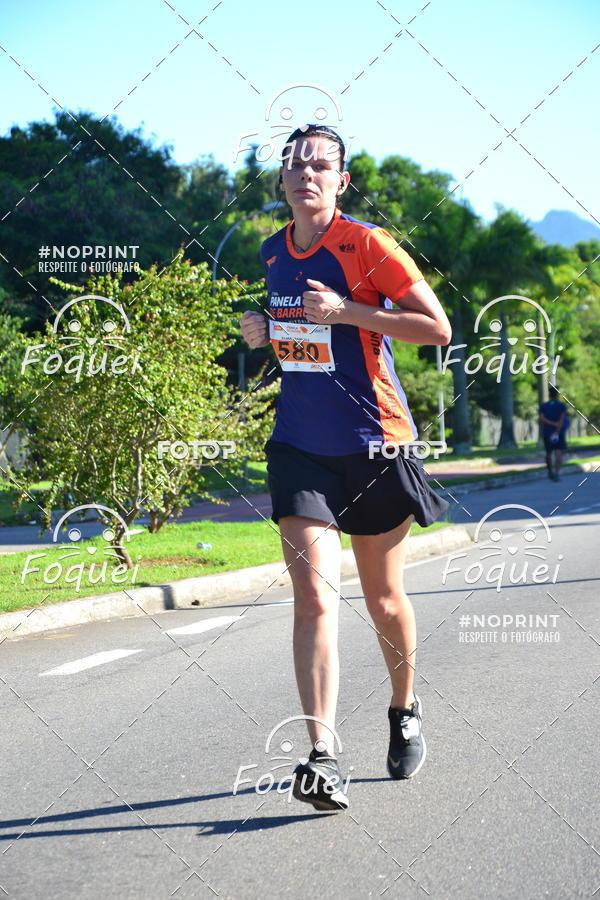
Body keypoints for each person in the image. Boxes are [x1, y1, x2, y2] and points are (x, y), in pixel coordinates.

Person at [240, 124, 452, 812]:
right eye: (296, 165)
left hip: (374, 445)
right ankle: (322, 755)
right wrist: (266, 333)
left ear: (341, 181)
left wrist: (352, 311)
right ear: (282, 180)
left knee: (385, 600)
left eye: (321, 165)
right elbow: (305, 346)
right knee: (313, 598)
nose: (307, 174)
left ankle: (404, 705)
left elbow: (436, 328)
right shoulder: (274, 252)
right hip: (301, 446)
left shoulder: (367, 245)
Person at [539, 385, 568, 481]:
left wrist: (551, 424)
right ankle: (557, 473)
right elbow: (562, 419)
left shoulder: (544, 406)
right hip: (558, 433)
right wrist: (557, 429)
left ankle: (550, 471)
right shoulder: (561, 406)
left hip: (547, 432)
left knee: (548, 452)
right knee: (558, 452)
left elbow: (542, 418)